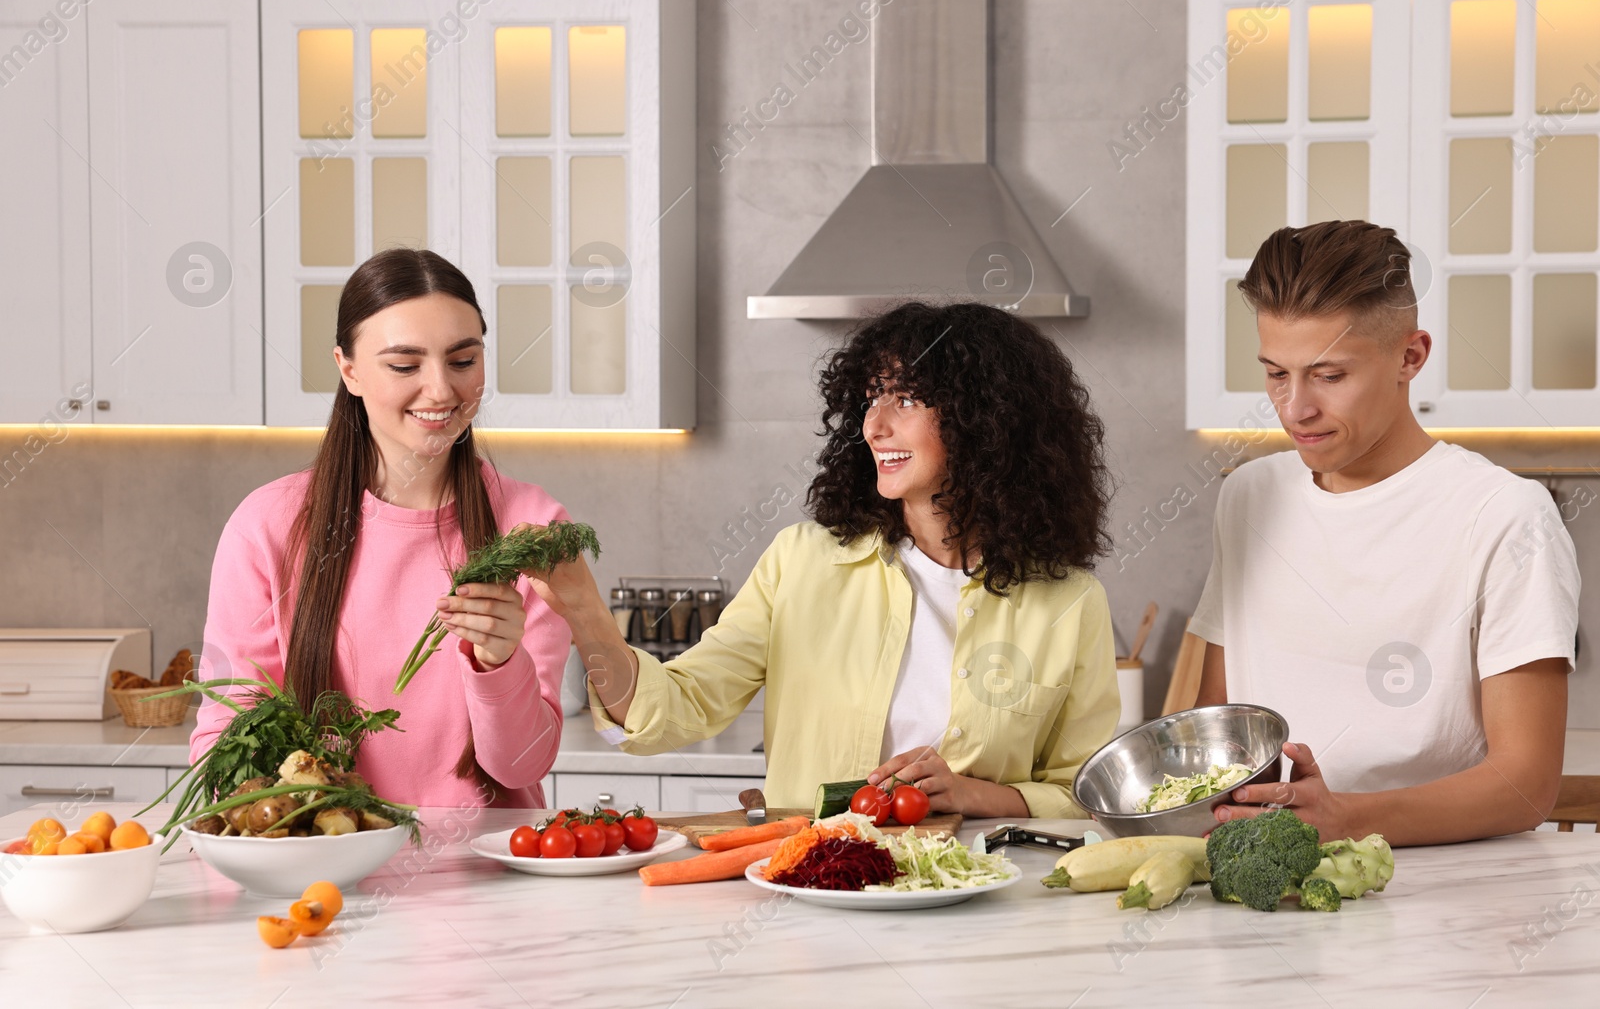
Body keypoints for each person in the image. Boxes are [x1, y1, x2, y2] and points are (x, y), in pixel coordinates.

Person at [530, 301, 1121, 818]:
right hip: (818, 883)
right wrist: (587, 617)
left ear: (986, 422)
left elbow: (1084, 792)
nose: (874, 425)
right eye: (870, 399)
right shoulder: (800, 561)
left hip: (983, 890)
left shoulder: (1070, 601)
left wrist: (975, 794)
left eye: (906, 399)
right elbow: (678, 708)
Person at [1193, 220, 1580, 846]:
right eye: (1276, 374)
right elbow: (1216, 723)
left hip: (1445, 895)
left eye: (1329, 375)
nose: (1295, 409)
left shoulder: (1504, 514)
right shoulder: (1248, 496)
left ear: (1411, 356)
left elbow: (1525, 785)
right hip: (1269, 878)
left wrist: (1345, 819)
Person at [190, 249, 572, 808]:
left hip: (487, 880)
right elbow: (227, 744)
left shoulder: (533, 530)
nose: (441, 390)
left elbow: (520, 766)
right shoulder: (265, 527)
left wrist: (499, 663)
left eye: (463, 361)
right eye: (404, 365)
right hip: (323, 871)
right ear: (349, 369)